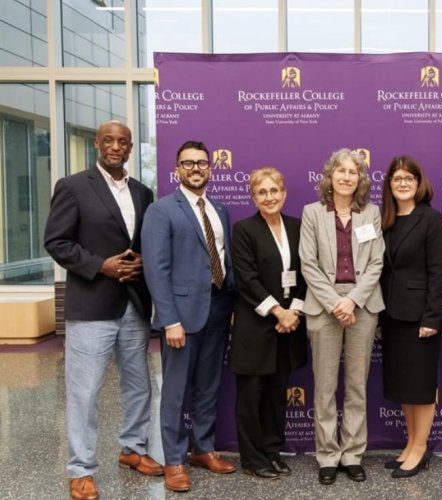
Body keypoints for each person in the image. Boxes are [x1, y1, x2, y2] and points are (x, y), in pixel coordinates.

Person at [44, 120, 162, 500]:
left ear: (130, 148)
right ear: (97, 143)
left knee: (139, 385)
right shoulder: (74, 186)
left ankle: (133, 449)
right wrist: (101, 265)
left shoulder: (144, 193)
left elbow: (143, 240)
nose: (115, 146)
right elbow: (57, 241)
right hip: (92, 304)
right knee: (85, 391)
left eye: (123, 142)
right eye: (108, 140)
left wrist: (143, 260)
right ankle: (80, 469)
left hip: (134, 304)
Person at [141, 140, 236, 492]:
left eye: (202, 163)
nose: (196, 168)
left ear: (211, 168)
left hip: (218, 309)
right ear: (177, 169)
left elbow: (223, 260)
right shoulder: (162, 210)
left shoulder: (220, 209)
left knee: (210, 386)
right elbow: (156, 269)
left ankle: (204, 449)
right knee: (177, 391)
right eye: (188, 163)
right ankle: (175, 460)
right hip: (180, 315)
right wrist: (169, 320)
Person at [299, 148, 384, 485]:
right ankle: (327, 456)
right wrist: (336, 301)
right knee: (324, 386)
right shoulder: (312, 213)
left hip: (362, 305)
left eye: (353, 172)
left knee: (356, 385)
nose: (347, 177)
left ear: (360, 178)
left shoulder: (371, 213)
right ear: (329, 176)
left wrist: (353, 301)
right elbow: (308, 263)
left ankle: (352, 453)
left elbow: (376, 261)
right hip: (324, 305)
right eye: (341, 171)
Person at [228, 167, 308, 480]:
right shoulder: (245, 229)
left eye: (274, 190)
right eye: (262, 192)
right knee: (251, 396)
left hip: (289, 326)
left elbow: (308, 271)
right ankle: (252, 458)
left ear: (284, 193)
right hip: (257, 324)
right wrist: (279, 312)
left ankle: (273, 451)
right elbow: (246, 279)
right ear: (253, 197)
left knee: (277, 394)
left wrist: (295, 312)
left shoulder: (298, 227)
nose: (269, 197)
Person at [379, 156, 442, 479]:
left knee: (420, 387)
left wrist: (432, 318)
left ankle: (420, 449)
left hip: (421, 316)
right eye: (397, 178)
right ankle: (409, 444)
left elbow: (438, 273)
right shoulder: (386, 220)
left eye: (409, 178)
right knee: (404, 386)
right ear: (389, 185)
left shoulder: (432, 220)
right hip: (392, 315)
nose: (403, 183)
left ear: (419, 183)